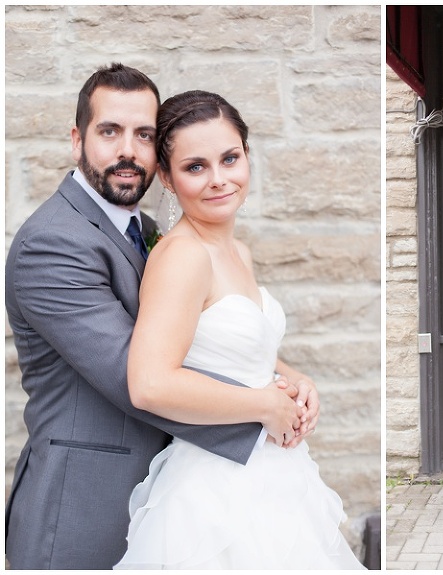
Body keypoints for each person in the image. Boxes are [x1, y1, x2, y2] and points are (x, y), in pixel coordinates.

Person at [4, 63, 316, 570]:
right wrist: (266, 408)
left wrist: (287, 376)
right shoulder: (52, 244)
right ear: (77, 140)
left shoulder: (145, 229)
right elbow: (138, 377)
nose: (128, 150)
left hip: (170, 491)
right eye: (110, 131)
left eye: (144, 135)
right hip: (84, 510)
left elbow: (195, 335)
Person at [112, 90, 365, 569]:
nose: (219, 179)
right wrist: (265, 405)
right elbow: (149, 384)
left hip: (275, 475)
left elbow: (229, 344)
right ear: (165, 177)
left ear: (247, 155)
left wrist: (294, 378)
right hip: (216, 487)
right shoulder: (182, 256)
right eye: (195, 167)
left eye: (230, 158)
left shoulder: (238, 252)